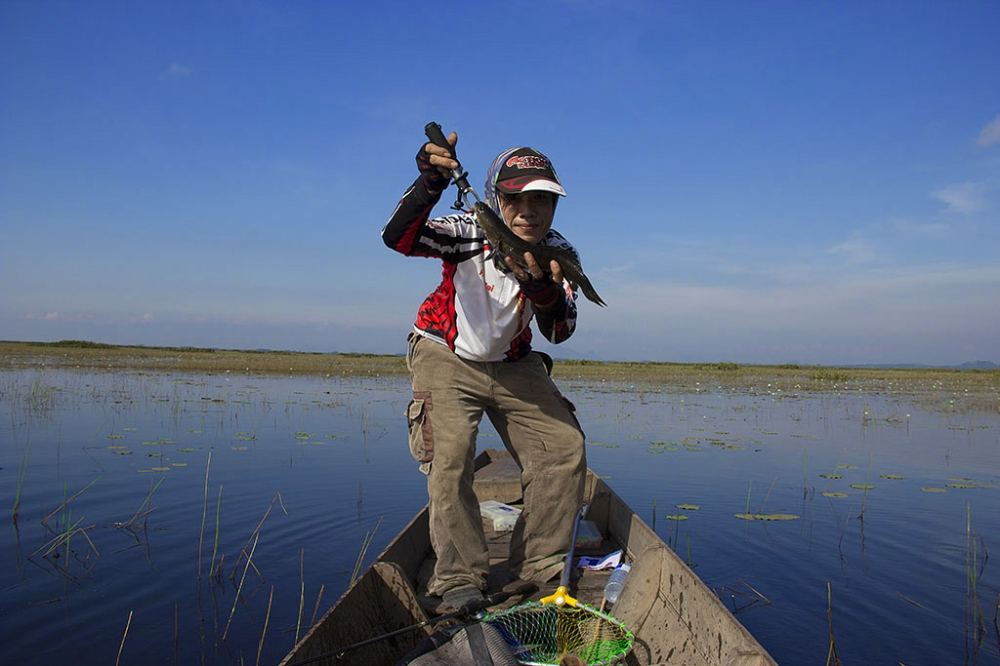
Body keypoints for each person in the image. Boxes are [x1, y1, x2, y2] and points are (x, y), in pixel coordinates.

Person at [382, 128, 588, 610]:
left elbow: (560, 331)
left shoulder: (560, 253)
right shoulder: (469, 231)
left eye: (542, 200)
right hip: (445, 352)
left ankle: (541, 564)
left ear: (555, 207)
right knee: (451, 459)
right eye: (516, 199)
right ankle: (457, 577)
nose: (528, 212)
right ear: (496, 198)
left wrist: (542, 291)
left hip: (513, 361)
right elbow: (399, 237)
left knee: (563, 446)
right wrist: (430, 181)